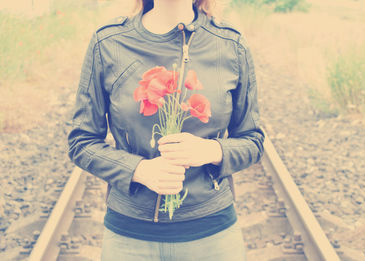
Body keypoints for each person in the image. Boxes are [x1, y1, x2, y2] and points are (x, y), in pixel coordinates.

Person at [68, 0, 264, 260]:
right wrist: (138, 170)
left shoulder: (230, 45)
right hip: (129, 238)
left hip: (212, 237)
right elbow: (81, 141)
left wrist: (211, 150)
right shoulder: (108, 43)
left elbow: (253, 140)